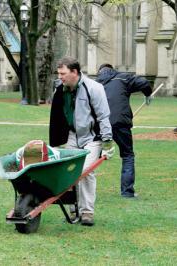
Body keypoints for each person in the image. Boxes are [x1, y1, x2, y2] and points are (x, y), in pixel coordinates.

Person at [49, 57, 114, 226]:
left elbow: (103, 116)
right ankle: (74, 210)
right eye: (59, 73)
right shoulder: (60, 89)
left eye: (63, 73)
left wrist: (107, 142)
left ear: (74, 72)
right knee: (69, 172)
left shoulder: (94, 88)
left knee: (85, 171)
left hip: (92, 137)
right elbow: (56, 116)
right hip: (72, 136)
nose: (60, 77)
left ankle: (87, 212)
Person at [97, 63, 152, 198]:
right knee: (127, 155)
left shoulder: (95, 83)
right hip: (120, 122)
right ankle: (127, 192)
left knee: (91, 156)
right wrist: (148, 95)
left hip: (98, 123)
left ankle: (82, 191)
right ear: (113, 70)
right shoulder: (122, 78)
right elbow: (144, 82)